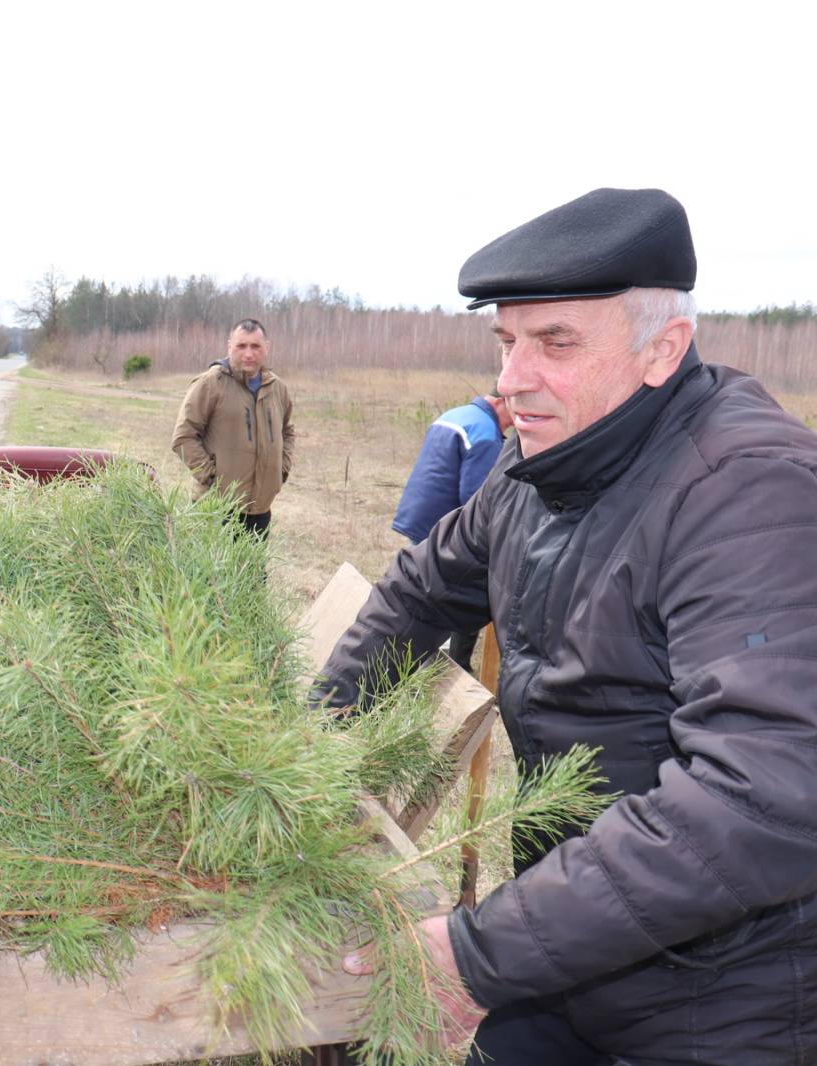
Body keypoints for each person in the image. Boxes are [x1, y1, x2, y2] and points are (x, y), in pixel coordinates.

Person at [319, 188, 817, 1064]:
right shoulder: (532, 467)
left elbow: (760, 795)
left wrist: (478, 955)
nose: (512, 383)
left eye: (556, 344)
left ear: (664, 349)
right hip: (573, 947)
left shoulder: (747, 493)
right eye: (507, 343)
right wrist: (304, 750)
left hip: (726, 1001)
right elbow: (418, 593)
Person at [390, 390, 511, 668]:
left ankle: (418, 656)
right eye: (514, 410)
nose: (514, 422)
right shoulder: (485, 432)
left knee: (421, 589)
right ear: (500, 400)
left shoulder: (455, 415)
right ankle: (449, 664)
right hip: (445, 529)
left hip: (421, 519)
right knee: (458, 594)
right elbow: (477, 499)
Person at [171, 318, 295, 537]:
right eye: (241, 346)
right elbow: (183, 437)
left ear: (267, 347)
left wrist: (281, 470)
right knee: (208, 572)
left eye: (255, 346)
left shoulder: (277, 388)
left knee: (253, 572)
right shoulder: (211, 383)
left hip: (259, 510)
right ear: (230, 346)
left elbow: (287, 432)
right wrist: (212, 478)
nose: (248, 353)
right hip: (215, 509)